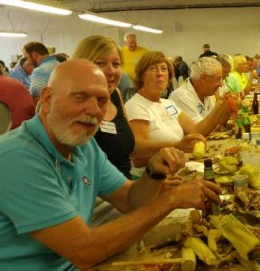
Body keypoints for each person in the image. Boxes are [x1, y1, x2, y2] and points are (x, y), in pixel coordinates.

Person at [0, 59, 221, 270]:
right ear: (47, 99)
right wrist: (171, 199)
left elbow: (129, 199)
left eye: (101, 100)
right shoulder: (16, 157)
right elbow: (84, 251)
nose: (93, 110)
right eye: (80, 97)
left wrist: (153, 173)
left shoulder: (84, 147)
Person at [125, 51, 208, 178]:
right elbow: (138, 159)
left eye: (164, 69)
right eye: (152, 69)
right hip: (150, 179)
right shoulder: (136, 106)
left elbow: (197, 130)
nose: (160, 74)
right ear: (141, 75)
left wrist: (222, 107)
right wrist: (177, 148)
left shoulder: (168, 103)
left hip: (175, 171)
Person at [72, 35, 136, 179]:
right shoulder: (74, 106)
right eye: (100, 63)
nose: (111, 71)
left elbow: (129, 145)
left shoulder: (115, 94)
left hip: (125, 189)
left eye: (116, 64)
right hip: (96, 193)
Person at [169, 57, 230, 133]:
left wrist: (230, 106)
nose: (221, 84)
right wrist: (218, 106)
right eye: (218, 79)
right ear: (204, 79)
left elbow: (219, 123)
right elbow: (200, 131)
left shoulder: (207, 93)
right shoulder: (181, 96)